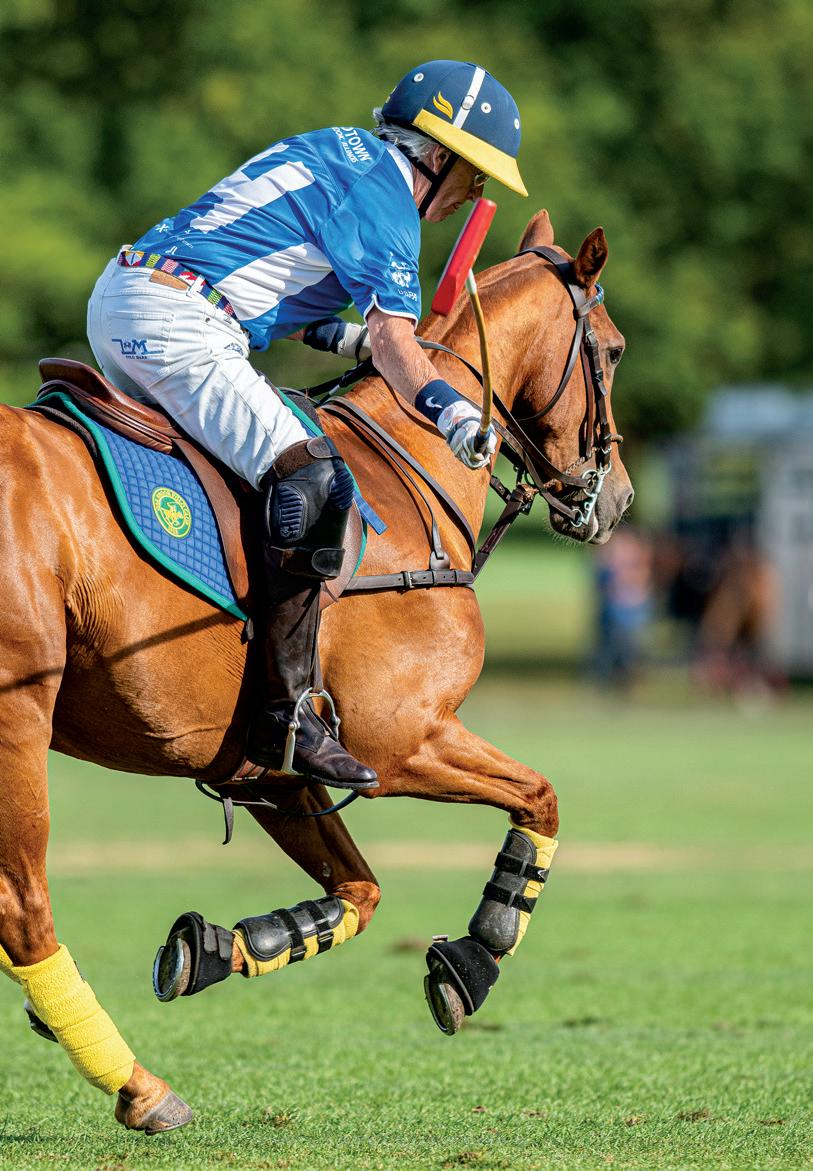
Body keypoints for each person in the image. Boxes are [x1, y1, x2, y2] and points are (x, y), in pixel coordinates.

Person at [86, 60, 528, 789]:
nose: (475, 194)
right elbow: (396, 341)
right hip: (178, 325)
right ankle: (286, 715)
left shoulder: (333, 147)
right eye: (475, 173)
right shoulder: (389, 205)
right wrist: (452, 413)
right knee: (317, 480)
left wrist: (350, 342)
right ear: (438, 155)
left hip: (128, 295)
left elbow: (267, 284)